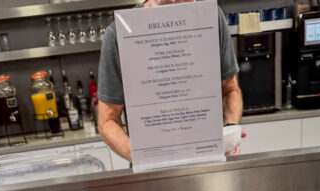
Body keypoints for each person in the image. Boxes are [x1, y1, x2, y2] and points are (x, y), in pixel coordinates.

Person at [97, 0, 244, 162]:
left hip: (210, 162)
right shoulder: (120, 32)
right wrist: (143, 158)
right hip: (152, 174)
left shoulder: (210, 18)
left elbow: (230, 89)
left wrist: (230, 130)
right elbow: (107, 121)